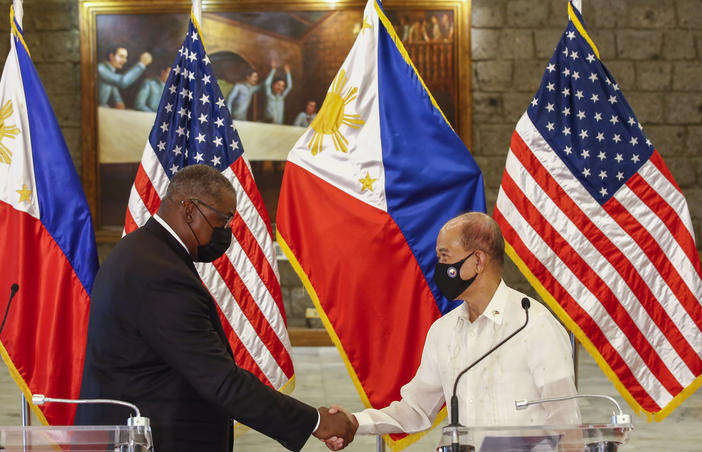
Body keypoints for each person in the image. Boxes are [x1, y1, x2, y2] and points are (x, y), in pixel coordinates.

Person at [75, 165, 355, 452]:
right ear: (189, 210)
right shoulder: (159, 274)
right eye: (221, 220)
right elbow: (219, 381)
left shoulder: (143, 251)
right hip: (150, 440)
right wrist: (316, 421)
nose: (226, 232)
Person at [325, 212, 580, 450]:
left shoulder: (534, 325)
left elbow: (567, 426)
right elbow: (416, 409)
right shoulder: (443, 330)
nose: (439, 267)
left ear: (478, 260)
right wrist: (356, 422)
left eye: (445, 257)